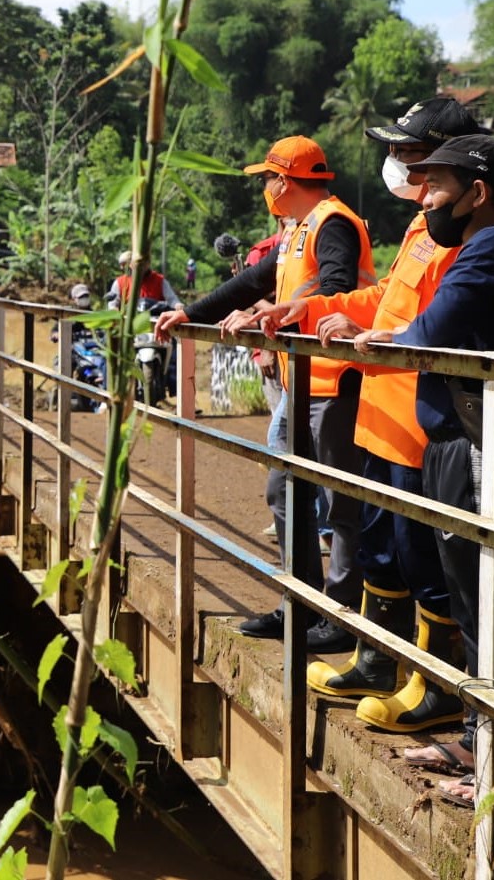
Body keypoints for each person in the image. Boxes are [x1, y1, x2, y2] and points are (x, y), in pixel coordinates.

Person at [252, 96, 484, 731]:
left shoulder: (462, 236)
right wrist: (311, 309)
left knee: (423, 558)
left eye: (412, 154)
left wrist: (379, 332)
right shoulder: (420, 225)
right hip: (379, 413)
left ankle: (435, 683)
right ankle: (377, 660)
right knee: (381, 548)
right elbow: (384, 296)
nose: (401, 165)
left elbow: (438, 322)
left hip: (417, 422)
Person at [350, 135, 494, 804]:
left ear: (478, 191)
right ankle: (478, 732)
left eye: (435, 185)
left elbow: (429, 329)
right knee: (470, 597)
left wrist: (391, 338)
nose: (425, 198)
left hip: (481, 444)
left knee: (493, 598)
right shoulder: (487, 246)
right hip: (458, 438)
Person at [155, 135, 375, 650]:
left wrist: (279, 313)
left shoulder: (334, 223)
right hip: (303, 382)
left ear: (287, 180)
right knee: (285, 489)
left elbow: (337, 285)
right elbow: (251, 282)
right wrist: (189, 313)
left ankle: (341, 617)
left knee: (339, 502)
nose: (266, 188)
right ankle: (299, 601)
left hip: (336, 381)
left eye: (269, 179)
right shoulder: (298, 228)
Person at [105, 250, 182, 311]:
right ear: (131, 264)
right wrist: (114, 311)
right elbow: (112, 305)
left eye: (144, 262)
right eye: (138, 262)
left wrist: (178, 306)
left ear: (148, 263)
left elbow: (172, 300)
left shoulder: (160, 281)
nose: (141, 266)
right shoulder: (120, 282)